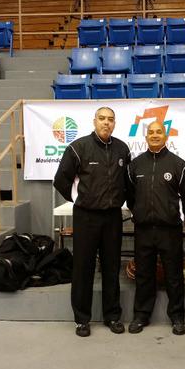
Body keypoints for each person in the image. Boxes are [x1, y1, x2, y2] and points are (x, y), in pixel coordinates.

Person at [53, 107, 130, 337]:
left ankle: (112, 316)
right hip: (86, 217)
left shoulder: (122, 148)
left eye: (110, 120)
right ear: (94, 121)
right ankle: (82, 320)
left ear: (115, 123)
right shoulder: (78, 148)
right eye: (102, 119)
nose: (106, 123)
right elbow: (61, 180)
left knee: (111, 266)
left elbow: (127, 181)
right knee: (83, 268)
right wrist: (80, 199)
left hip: (113, 217)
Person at [127, 120, 185, 336]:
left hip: (169, 229)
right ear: (146, 137)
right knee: (143, 274)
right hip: (143, 229)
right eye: (151, 132)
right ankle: (141, 316)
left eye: (159, 132)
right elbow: (130, 196)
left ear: (166, 136)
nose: (154, 135)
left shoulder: (178, 165)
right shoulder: (135, 165)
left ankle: (178, 317)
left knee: (174, 274)